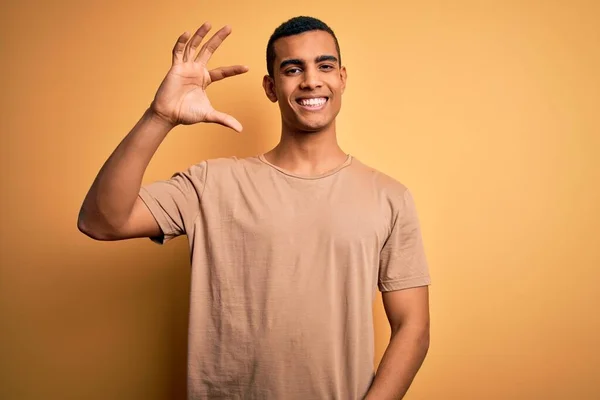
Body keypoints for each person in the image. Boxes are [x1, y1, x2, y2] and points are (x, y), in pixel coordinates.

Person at [78, 16, 431, 400]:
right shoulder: (212, 184)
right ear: (271, 87)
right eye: (292, 69)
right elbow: (101, 220)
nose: (311, 80)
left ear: (342, 78)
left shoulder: (389, 197)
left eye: (324, 65)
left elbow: (413, 325)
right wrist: (159, 117)